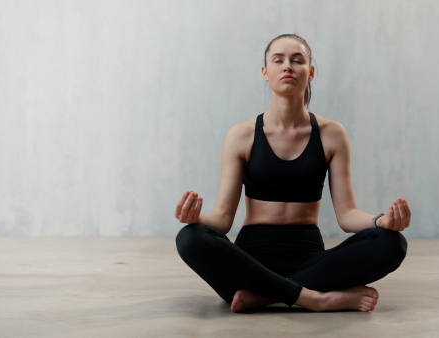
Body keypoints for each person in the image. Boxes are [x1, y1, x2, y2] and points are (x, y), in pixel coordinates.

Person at [174, 34, 411, 313]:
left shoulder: (331, 134)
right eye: (279, 60)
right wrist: (195, 219)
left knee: (391, 243)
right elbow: (223, 218)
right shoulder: (242, 135)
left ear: (310, 73)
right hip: (250, 262)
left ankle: (266, 296)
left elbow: (347, 215)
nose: (288, 66)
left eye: (297, 60)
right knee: (190, 237)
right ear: (265, 72)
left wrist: (381, 220)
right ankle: (315, 298)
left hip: (307, 258)